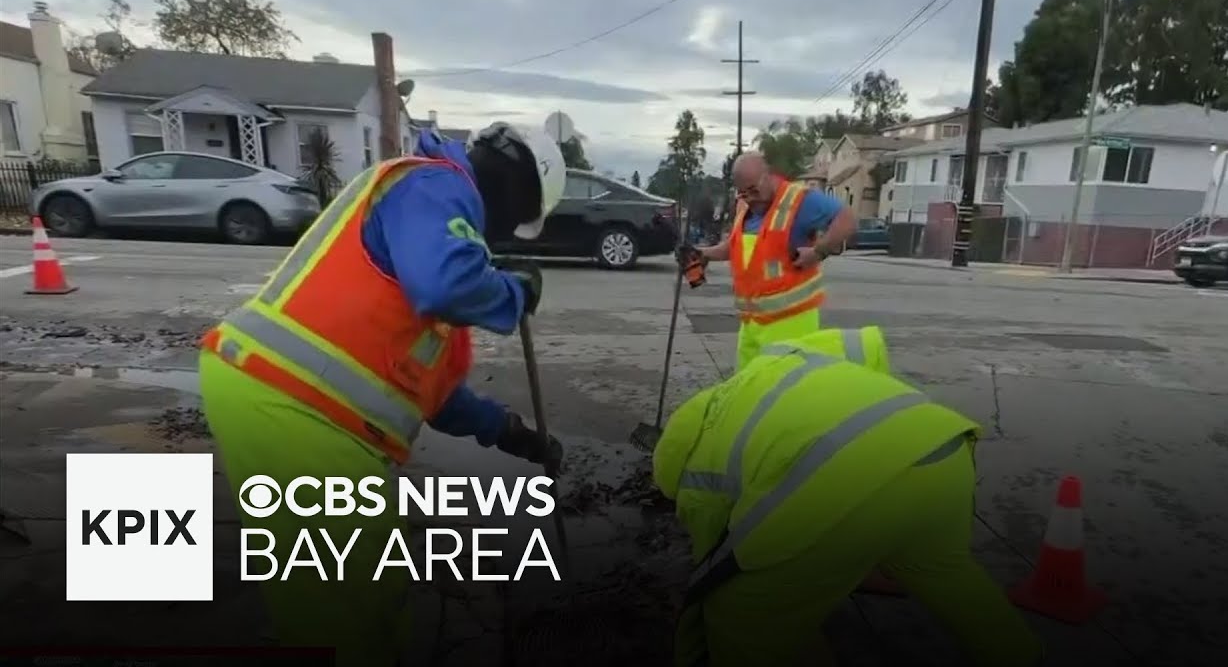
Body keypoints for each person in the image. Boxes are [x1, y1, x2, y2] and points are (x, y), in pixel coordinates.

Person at [197, 123, 567, 666]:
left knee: (375, 586)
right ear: (515, 190)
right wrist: (514, 292)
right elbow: (447, 283)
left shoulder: (433, 278)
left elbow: (437, 398)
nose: (500, 234)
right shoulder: (433, 186)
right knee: (345, 611)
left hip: (297, 407)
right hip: (290, 402)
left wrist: (514, 435)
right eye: (512, 222)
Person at [653, 327, 1044, 667]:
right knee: (945, 573)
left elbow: (717, 569)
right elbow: (862, 345)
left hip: (847, 490)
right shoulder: (770, 370)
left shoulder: (697, 477)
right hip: (941, 450)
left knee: (743, 616)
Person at [681, 152, 857, 371]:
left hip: (790, 323)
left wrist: (818, 252)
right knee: (747, 390)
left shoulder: (800, 200)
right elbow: (734, 247)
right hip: (752, 323)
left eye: (753, 190)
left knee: (783, 395)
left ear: (768, 176)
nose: (750, 198)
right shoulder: (745, 206)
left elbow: (847, 219)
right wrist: (703, 253)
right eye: (743, 192)